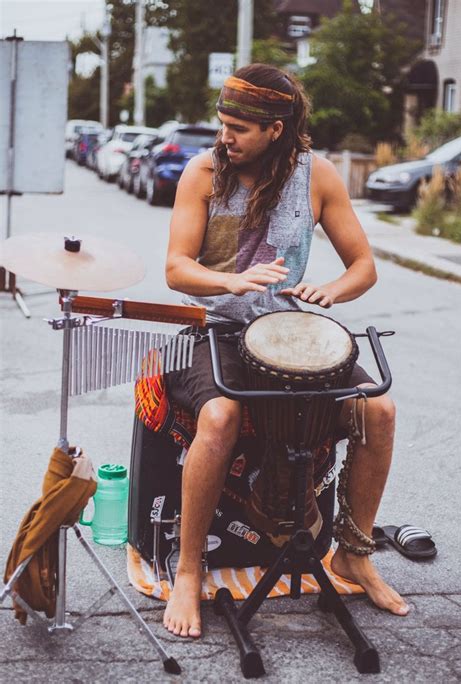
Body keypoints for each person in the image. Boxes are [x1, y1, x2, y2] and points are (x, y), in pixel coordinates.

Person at [164, 63, 409, 638]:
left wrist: (331, 291)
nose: (224, 136)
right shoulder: (202, 173)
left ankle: (352, 551)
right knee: (220, 415)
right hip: (219, 329)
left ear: (276, 129)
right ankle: (187, 568)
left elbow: (364, 267)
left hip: (291, 334)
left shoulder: (317, 176)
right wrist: (229, 281)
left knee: (379, 409)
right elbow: (176, 269)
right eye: (222, 123)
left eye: (239, 129)